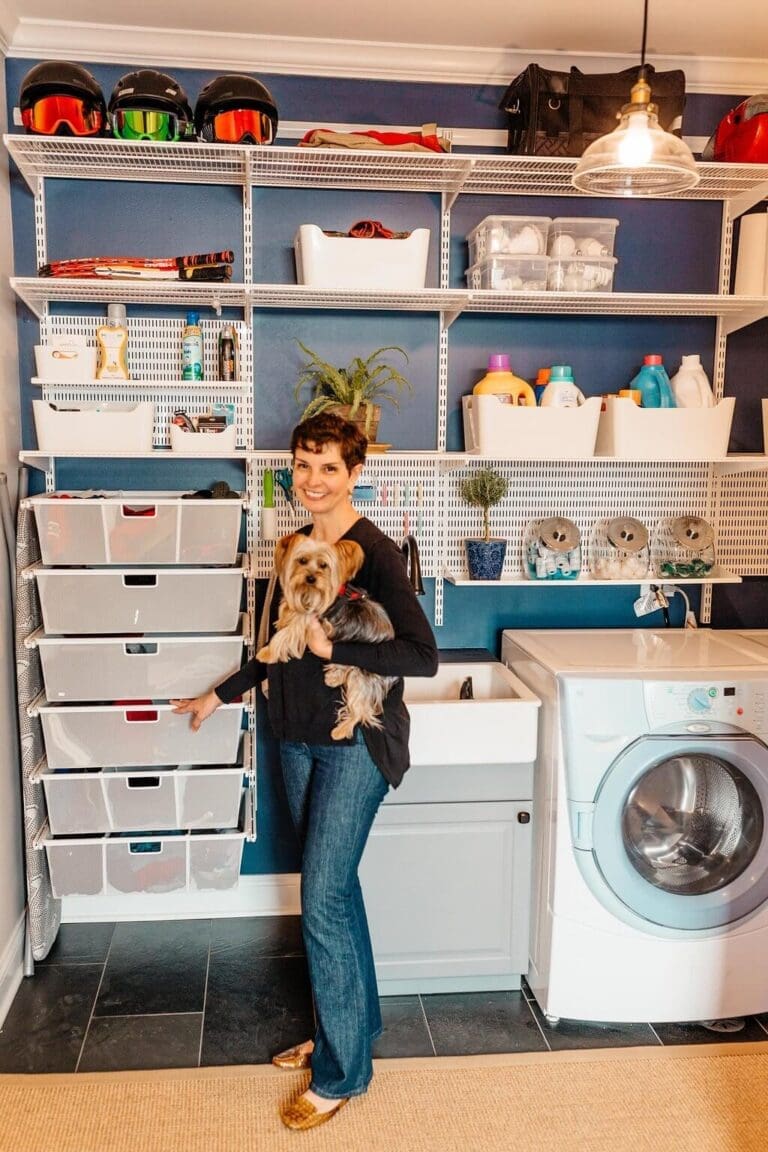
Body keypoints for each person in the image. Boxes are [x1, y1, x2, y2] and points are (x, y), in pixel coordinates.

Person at [171, 413, 438, 1130]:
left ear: (354, 473)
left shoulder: (373, 552)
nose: (313, 479)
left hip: (356, 746)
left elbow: (421, 655)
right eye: (303, 464)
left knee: (319, 901)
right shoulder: (293, 547)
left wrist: (335, 653)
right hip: (293, 740)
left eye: (328, 467)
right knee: (335, 896)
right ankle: (346, 1032)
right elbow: (277, 645)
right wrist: (216, 696)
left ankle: (341, 1074)